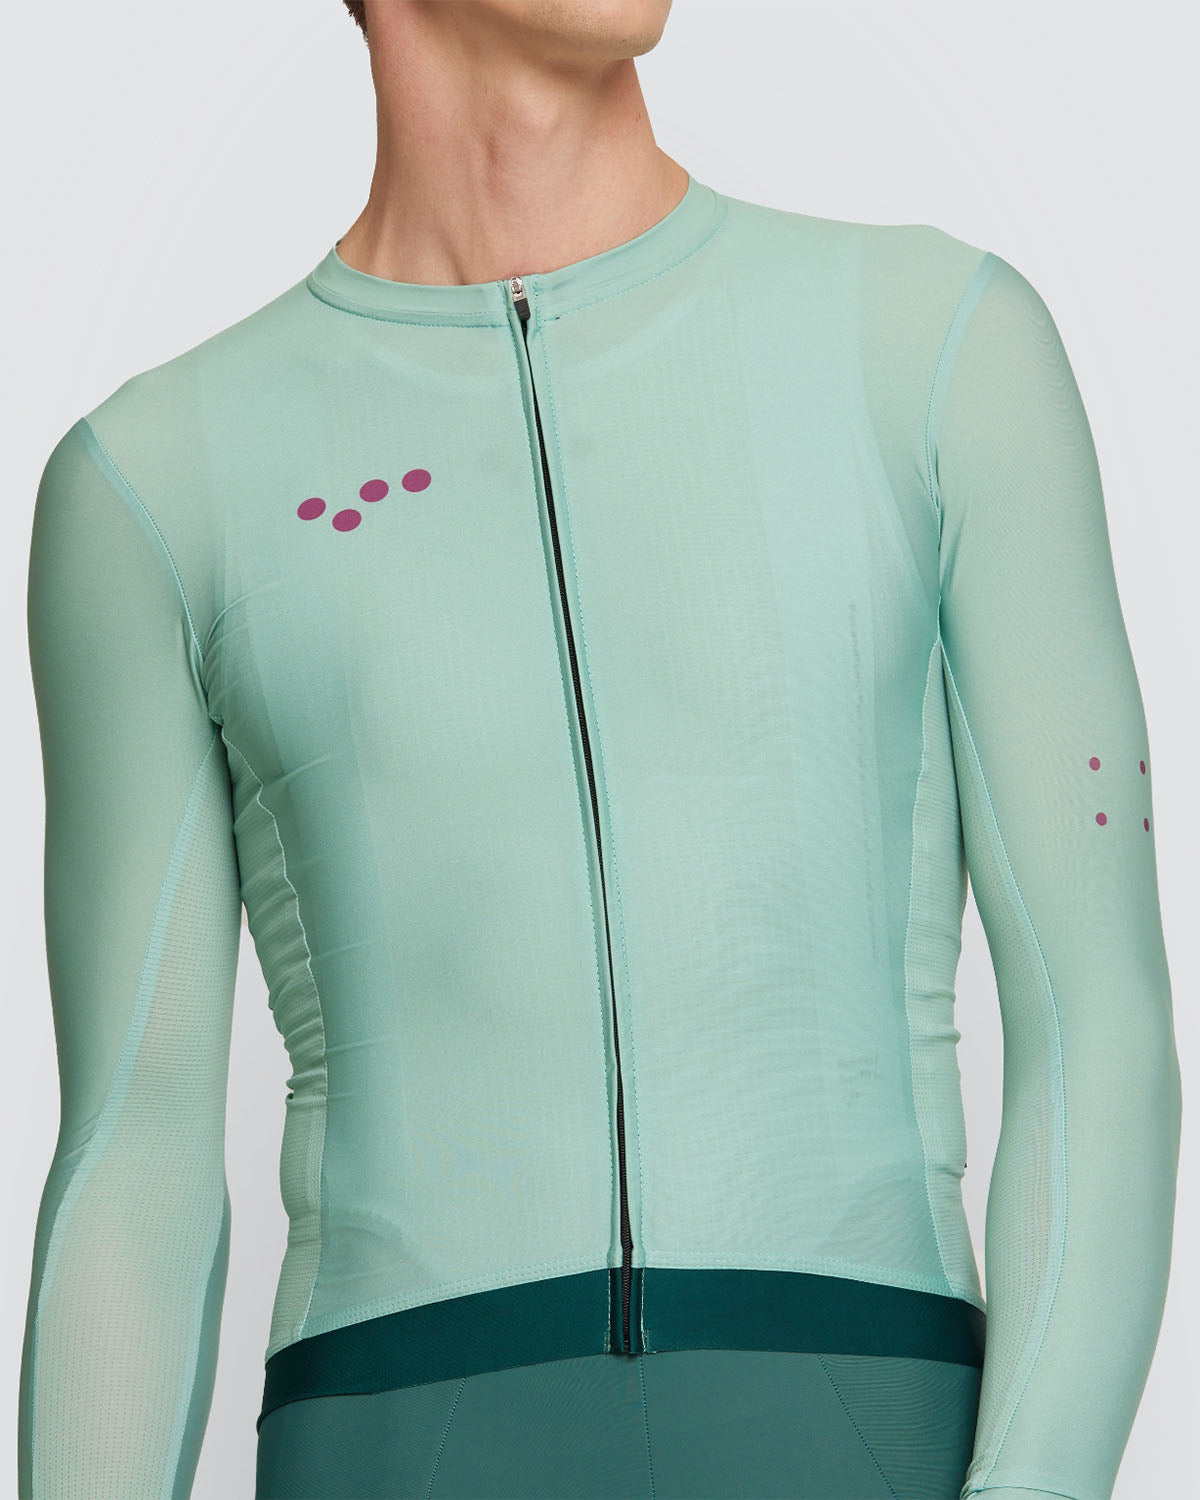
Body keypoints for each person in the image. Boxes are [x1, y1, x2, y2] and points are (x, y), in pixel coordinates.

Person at [17, 2, 1183, 1497]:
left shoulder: (931, 343)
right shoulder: (156, 481)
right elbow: (137, 1148)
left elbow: (1099, 1026)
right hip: (392, 1433)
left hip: (856, 1420)